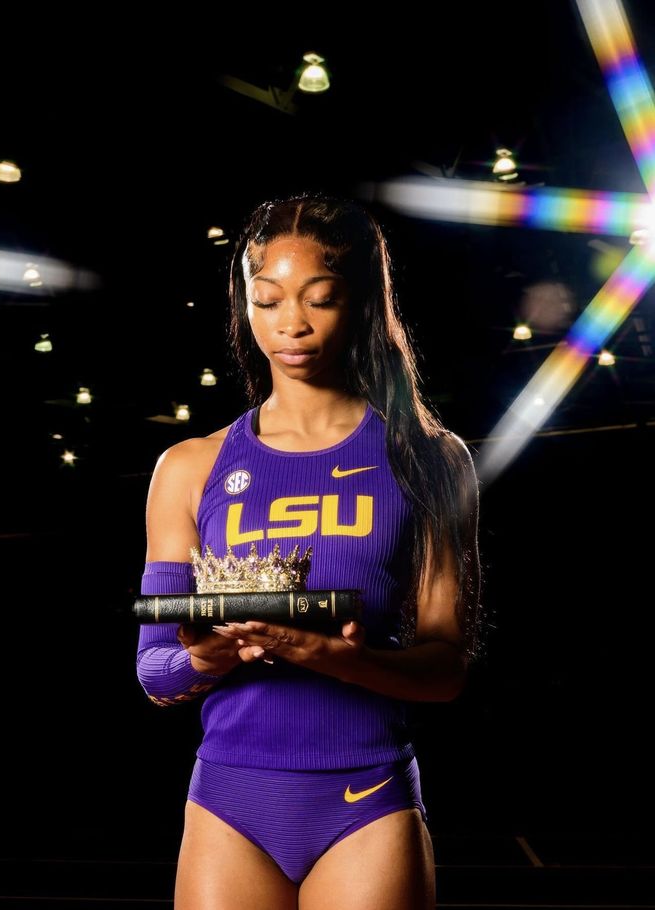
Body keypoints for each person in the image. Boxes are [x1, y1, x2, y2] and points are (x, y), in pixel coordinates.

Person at [135, 191, 483, 910]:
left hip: (366, 797)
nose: (290, 324)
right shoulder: (189, 466)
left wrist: (341, 659)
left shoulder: (429, 459)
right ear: (244, 305)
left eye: (319, 298)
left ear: (359, 301)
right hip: (229, 800)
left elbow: (446, 669)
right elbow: (153, 672)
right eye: (266, 301)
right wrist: (211, 654)